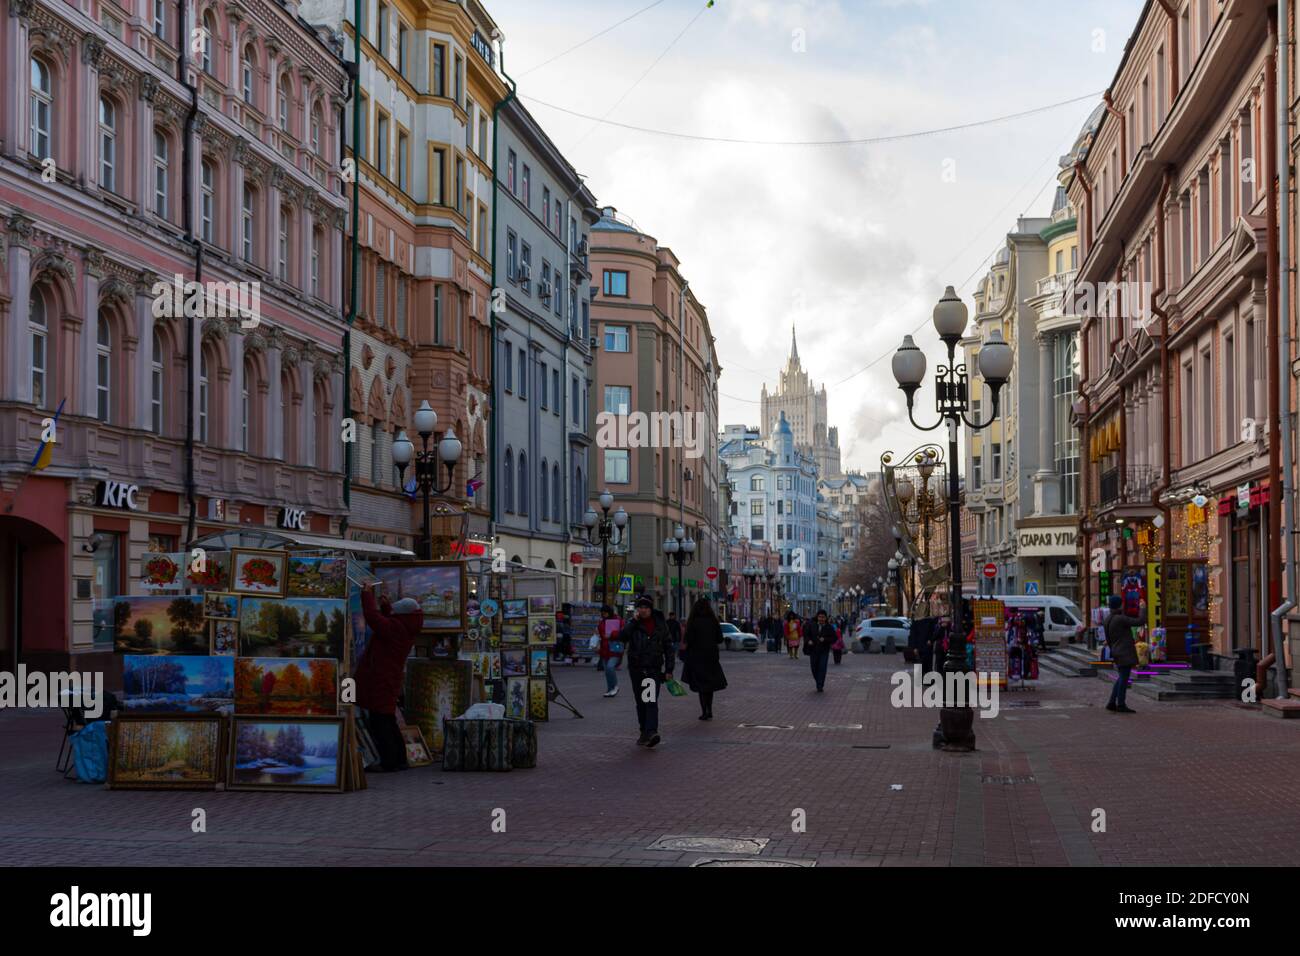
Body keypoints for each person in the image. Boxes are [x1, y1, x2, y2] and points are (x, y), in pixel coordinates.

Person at [357, 585, 424, 771]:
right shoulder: (406, 626)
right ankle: (400, 758)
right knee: (387, 719)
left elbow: (372, 618)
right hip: (388, 678)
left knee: (380, 721)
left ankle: (390, 761)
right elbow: (388, 621)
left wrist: (366, 593)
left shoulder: (396, 629)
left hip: (381, 679)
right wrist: (386, 608)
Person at [618, 595, 676, 747]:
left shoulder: (660, 625)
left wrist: (669, 669)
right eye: (640, 608)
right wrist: (634, 621)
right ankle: (644, 731)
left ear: (651, 609)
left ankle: (651, 731)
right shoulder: (634, 623)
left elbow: (669, 648)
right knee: (641, 701)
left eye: (646, 608)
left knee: (650, 700)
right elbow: (622, 636)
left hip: (652, 669)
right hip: (637, 669)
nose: (643, 610)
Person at [681, 597, 727, 720]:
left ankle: (704, 712)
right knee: (709, 686)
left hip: (697, 657)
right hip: (711, 657)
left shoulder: (693, 621)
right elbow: (720, 639)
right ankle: (710, 710)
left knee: (701, 686)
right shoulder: (713, 621)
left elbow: (688, 640)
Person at [1104, 594, 1144, 713]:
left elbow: (1108, 639)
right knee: (1124, 678)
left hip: (1116, 651)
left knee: (1121, 677)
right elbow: (1140, 621)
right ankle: (1121, 704)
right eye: (1121, 603)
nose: (1123, 605)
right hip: (1124, 652)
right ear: (1118, 605)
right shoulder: (1120, 618)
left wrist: (1113, 649)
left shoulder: (1108, 619)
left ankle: (1111, 702)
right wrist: (1143, 608)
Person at [804, 609, 837, 692]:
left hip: (824, 651)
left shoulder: (829, 627)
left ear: (826, 618)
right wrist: (809, 641)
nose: (821, 619)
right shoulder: (812, 625)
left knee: (822, 667)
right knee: (814, 667)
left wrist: (825, 639)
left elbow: (834, 638)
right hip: (813, 650)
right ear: (817, 617)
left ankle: (820, 685)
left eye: (823, 617)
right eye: (820, 617)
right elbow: (806, 635)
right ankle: (818, 681)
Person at [597, 604, 624, 697]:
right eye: (602, 613)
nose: (604, 615)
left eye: (605, 613)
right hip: (605, 649)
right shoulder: (602, 622)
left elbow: (623, 633)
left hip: (615, 649)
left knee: (610, 667)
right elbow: (601, 635)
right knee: (607, 671)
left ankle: (615, 686)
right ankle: (609, 689)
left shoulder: (618, 620)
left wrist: (611, 635)